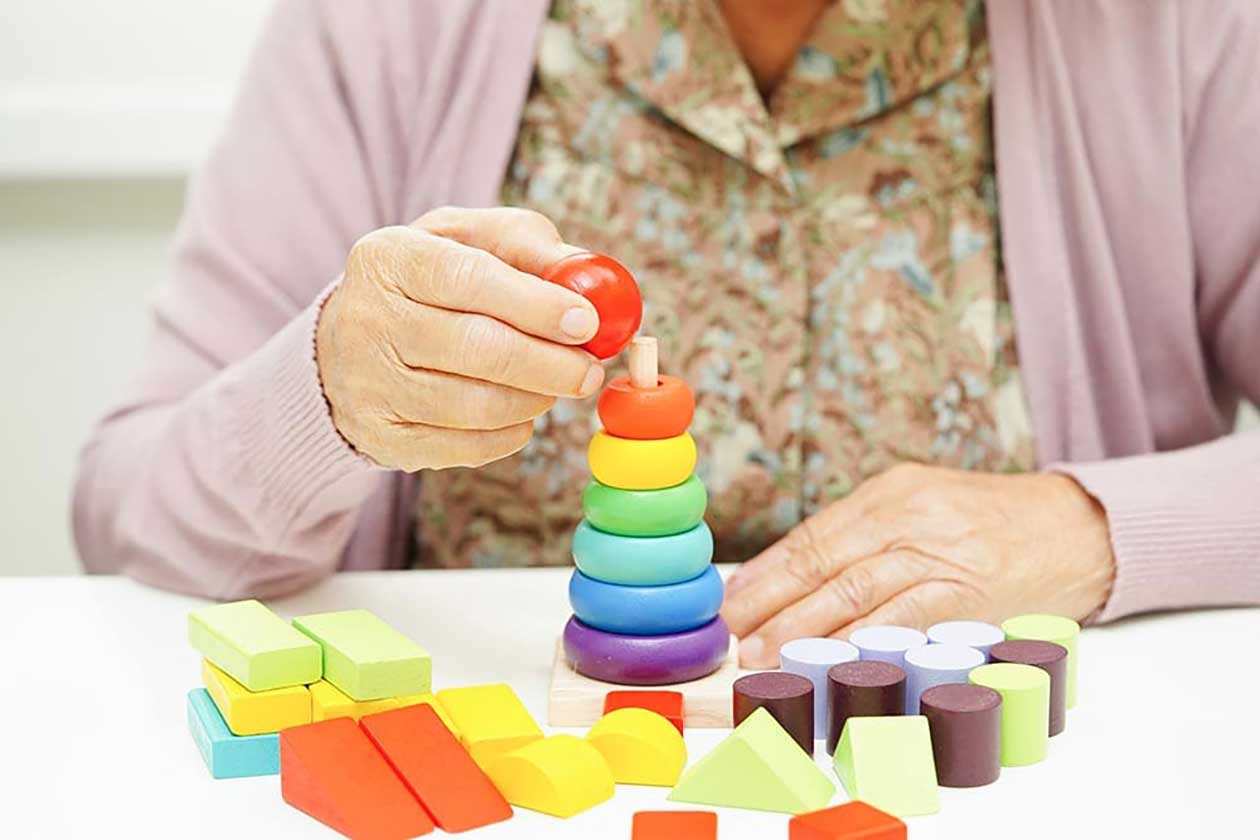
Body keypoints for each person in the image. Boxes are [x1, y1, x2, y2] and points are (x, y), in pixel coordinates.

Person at [73, 0, 1260, 668]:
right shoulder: (385, 28)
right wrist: (330, 394)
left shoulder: (1177, 31)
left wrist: (1090, 526)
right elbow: (125, 508)